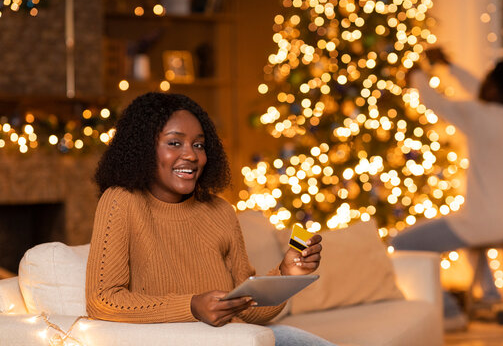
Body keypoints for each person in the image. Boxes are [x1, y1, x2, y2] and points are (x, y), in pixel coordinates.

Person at [85, 92, 334, 345]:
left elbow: (247, 310)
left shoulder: (221, 211)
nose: (192, 155)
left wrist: (286, 273)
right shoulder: (120, 201)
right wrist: (192, 307)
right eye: (174, 143)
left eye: (199, 145)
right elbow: (103, 300)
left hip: (240, 339)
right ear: (143, 148)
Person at [392, 49, 503, 330]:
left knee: (402, 243)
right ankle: (491, 297)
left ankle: (450, 312)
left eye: (489, 81)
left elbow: (436, 103)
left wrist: (416, 76)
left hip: (483, 222)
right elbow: (479, 89)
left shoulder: (477, 115)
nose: (483, 85)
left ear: (493, 87)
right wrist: (450, 66)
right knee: (469, 233)